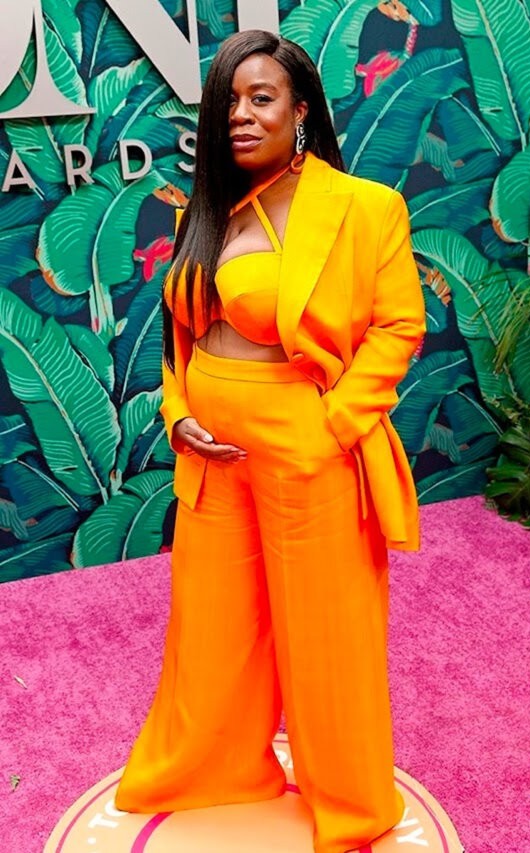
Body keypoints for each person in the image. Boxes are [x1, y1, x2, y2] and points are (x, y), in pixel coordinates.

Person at [115, 30, 426, 852]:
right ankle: (213, 769)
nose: (242, 116)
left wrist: (329, 427)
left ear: (301, 109)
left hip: (306, 443)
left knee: (325, 632)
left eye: (261, 98)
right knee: (213, 624)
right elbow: (181, 333)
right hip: (211, 451)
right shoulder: (206, 210)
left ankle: (350, 804)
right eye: (229, 102)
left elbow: (399, 326)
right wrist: (177, 411)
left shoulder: (363, 207)